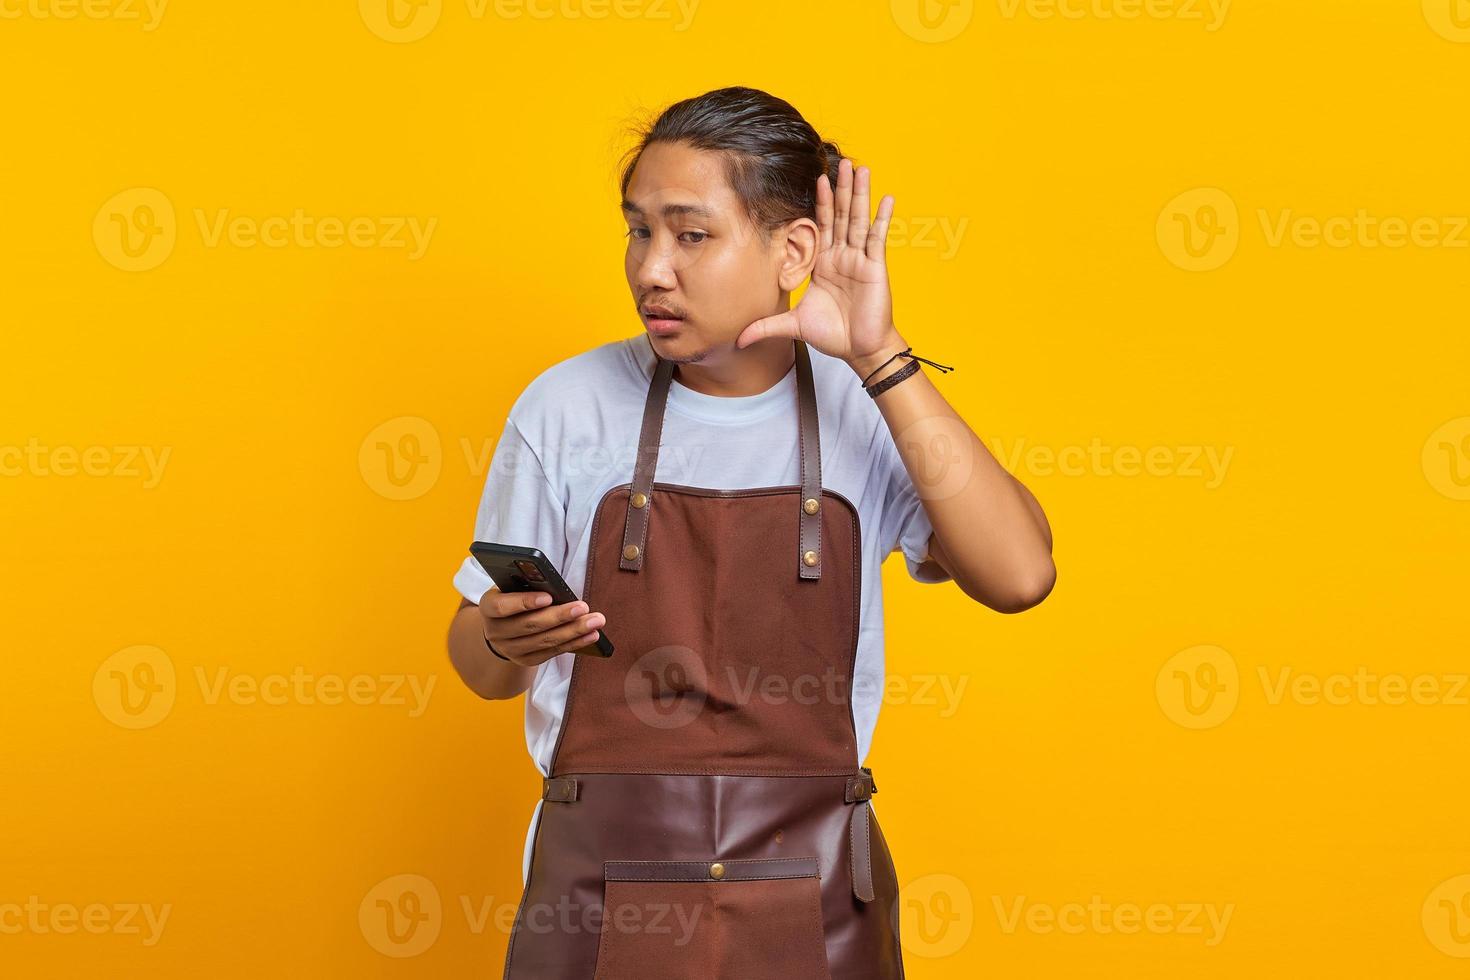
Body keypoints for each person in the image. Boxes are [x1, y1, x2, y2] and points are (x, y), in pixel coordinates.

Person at [445, 85, 1055, 979]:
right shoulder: (565, 407)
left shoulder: (869, 409)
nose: (653, 268)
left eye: (691, 234)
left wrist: (881, 359)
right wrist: (502, 634)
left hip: (811, 901)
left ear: (793, 249)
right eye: (638, 230)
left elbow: (1019, 575)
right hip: (599, 897)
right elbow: (480, 670)